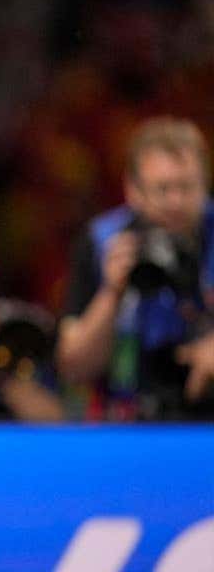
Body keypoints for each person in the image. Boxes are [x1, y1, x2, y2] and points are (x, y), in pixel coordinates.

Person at [56, 117, 214, 420]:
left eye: (188, 187)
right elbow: (73, 368)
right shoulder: (101, 242)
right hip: (126, 424)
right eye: (163, 189)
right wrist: (112, 292)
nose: (176, 202)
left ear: (205, 184)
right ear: (133, 190)